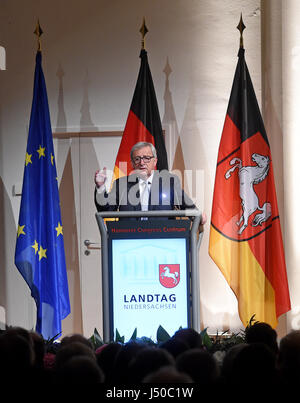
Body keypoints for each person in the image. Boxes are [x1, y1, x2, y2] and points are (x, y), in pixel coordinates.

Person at [94, 141, 206, 222]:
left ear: (155, 161)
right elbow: (106, 209)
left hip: (162, 238)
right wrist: (100, 187)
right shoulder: (121, 184)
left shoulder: (169, 182)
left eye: (146, 158)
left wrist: (199, 217)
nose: (142, 163)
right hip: (129, 240)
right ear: (132, 164)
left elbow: (188, 207)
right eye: (137, 159)